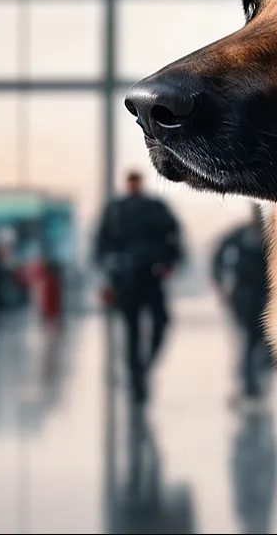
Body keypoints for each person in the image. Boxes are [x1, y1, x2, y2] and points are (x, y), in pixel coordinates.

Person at [96, 171, 185, 404]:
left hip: (151, 275)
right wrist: (110, 269)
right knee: (132, 331)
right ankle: (137, 378)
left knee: (160, 322)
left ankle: (143, 367)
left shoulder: (155, 207)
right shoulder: (116, 210)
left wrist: (169, 261)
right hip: (126, 279)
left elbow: (173, 235)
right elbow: (102, 243)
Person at [211, 205, 273, 407]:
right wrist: (221, 284)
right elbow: (218, 257)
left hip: (266, 295)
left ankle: (253, 378)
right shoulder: (239, 235)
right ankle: (248, 384)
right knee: (248, 339)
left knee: (264, 342)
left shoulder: (272, 237)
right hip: (244, 295)